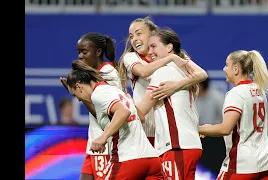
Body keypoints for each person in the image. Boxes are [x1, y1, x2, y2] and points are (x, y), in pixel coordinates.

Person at [66, 60, 164, 180]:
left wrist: (103, 137)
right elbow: (141, 118)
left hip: (128, 160)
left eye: (75, 95)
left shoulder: (98, 94)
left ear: (79, 86)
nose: (79, 100)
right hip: (152, 160)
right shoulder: (118, 92)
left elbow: (123, 112)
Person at [119, 16, 207, 147]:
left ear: (152, 34)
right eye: (131, 36)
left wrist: (175, 86)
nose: (134, 39)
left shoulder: (175, 55)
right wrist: (171, 58)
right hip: (143, 132)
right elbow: (144, 71)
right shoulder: (131, 57)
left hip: (169, 131)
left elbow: (202, 74)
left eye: (139, 33)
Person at [135, 28, 204, 180]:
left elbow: (141, 110)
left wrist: (120, 99)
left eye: (153, 46)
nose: (150, 51)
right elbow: (203, 74)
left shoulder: (163, 72)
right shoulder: (185, 71)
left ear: (169, 47)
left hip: (177, 146)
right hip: (185, 144)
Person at [198, 50, 268, 180]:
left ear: (236, 69)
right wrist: (208, 128)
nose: (224, 69)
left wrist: (198, 129)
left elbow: (225, 129)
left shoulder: (235, 93)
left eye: (226, 65)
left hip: (242, 166)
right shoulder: (260, 91)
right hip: (267, 164)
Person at [60, 32, 121, 180]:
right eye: (79, 52)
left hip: (105, 146)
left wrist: (79, 95)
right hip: (93, 144)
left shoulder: (109, 74)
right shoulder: (91, 75)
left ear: (98, 52)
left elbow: (105, 117)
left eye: (84, 52)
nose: (80, 56)